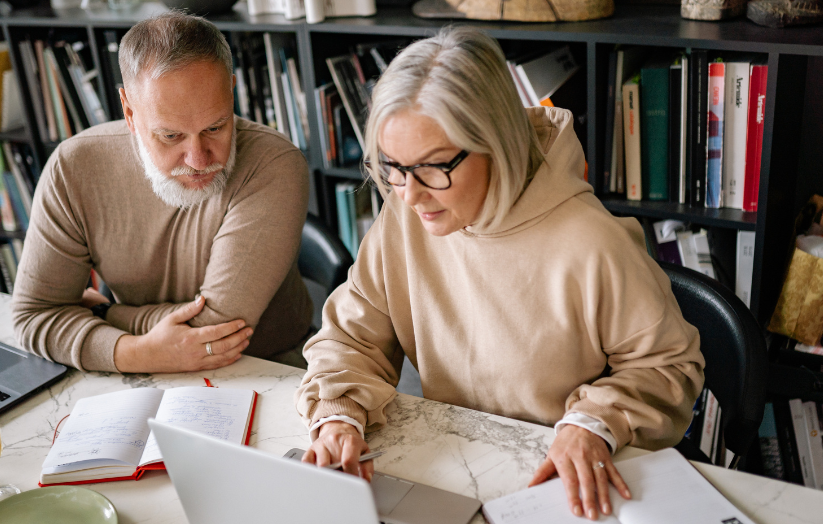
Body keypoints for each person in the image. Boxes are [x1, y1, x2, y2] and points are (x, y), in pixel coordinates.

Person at [295, 27, 705, 520]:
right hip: (462, 472)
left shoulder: (591, 241)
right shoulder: (405, 213)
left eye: (433, 167)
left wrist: (593, 422)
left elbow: (669, 367)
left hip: (562, 484)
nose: (409, 194)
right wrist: (338, 416)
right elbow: (351, 338)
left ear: (495, 143)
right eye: (392, 166)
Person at [11, 12, 312, 374]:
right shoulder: (74, 167)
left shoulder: (274, 163)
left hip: (268, 368)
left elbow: (216, 332)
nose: (199, 159)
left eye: (215, 127)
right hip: (136, 374)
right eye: (171, 136)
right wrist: (137, 352)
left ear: (231, 91)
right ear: (129, 112)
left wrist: (105, 312)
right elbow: (34, 316)